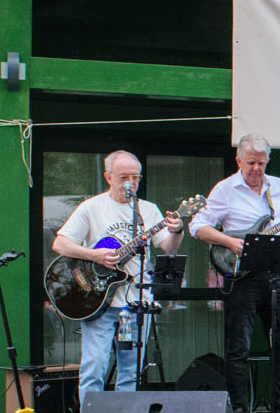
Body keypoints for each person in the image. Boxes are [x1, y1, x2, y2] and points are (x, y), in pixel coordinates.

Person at [191, 134, 280, 413]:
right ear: (238, 160)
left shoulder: (278, 186)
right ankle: (238, 410)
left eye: (262, 163)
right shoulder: (225, 189)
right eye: (251, 163)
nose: (256, 168)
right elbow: (198, 226)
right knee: (238, 346)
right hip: (242, 275)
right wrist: (230, 242)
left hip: (276, 273)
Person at [53, 150, 185, 399]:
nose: (130, 183)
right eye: (124, 177)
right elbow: (60, 244)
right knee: (94, 366)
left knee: (132, 370)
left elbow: (168, 248)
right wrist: (95, 256)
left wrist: (177, 231)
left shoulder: (148, 210)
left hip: (135, 303)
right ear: (108, 177)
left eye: (135, 177)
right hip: (98, 300)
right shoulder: (92, 208)